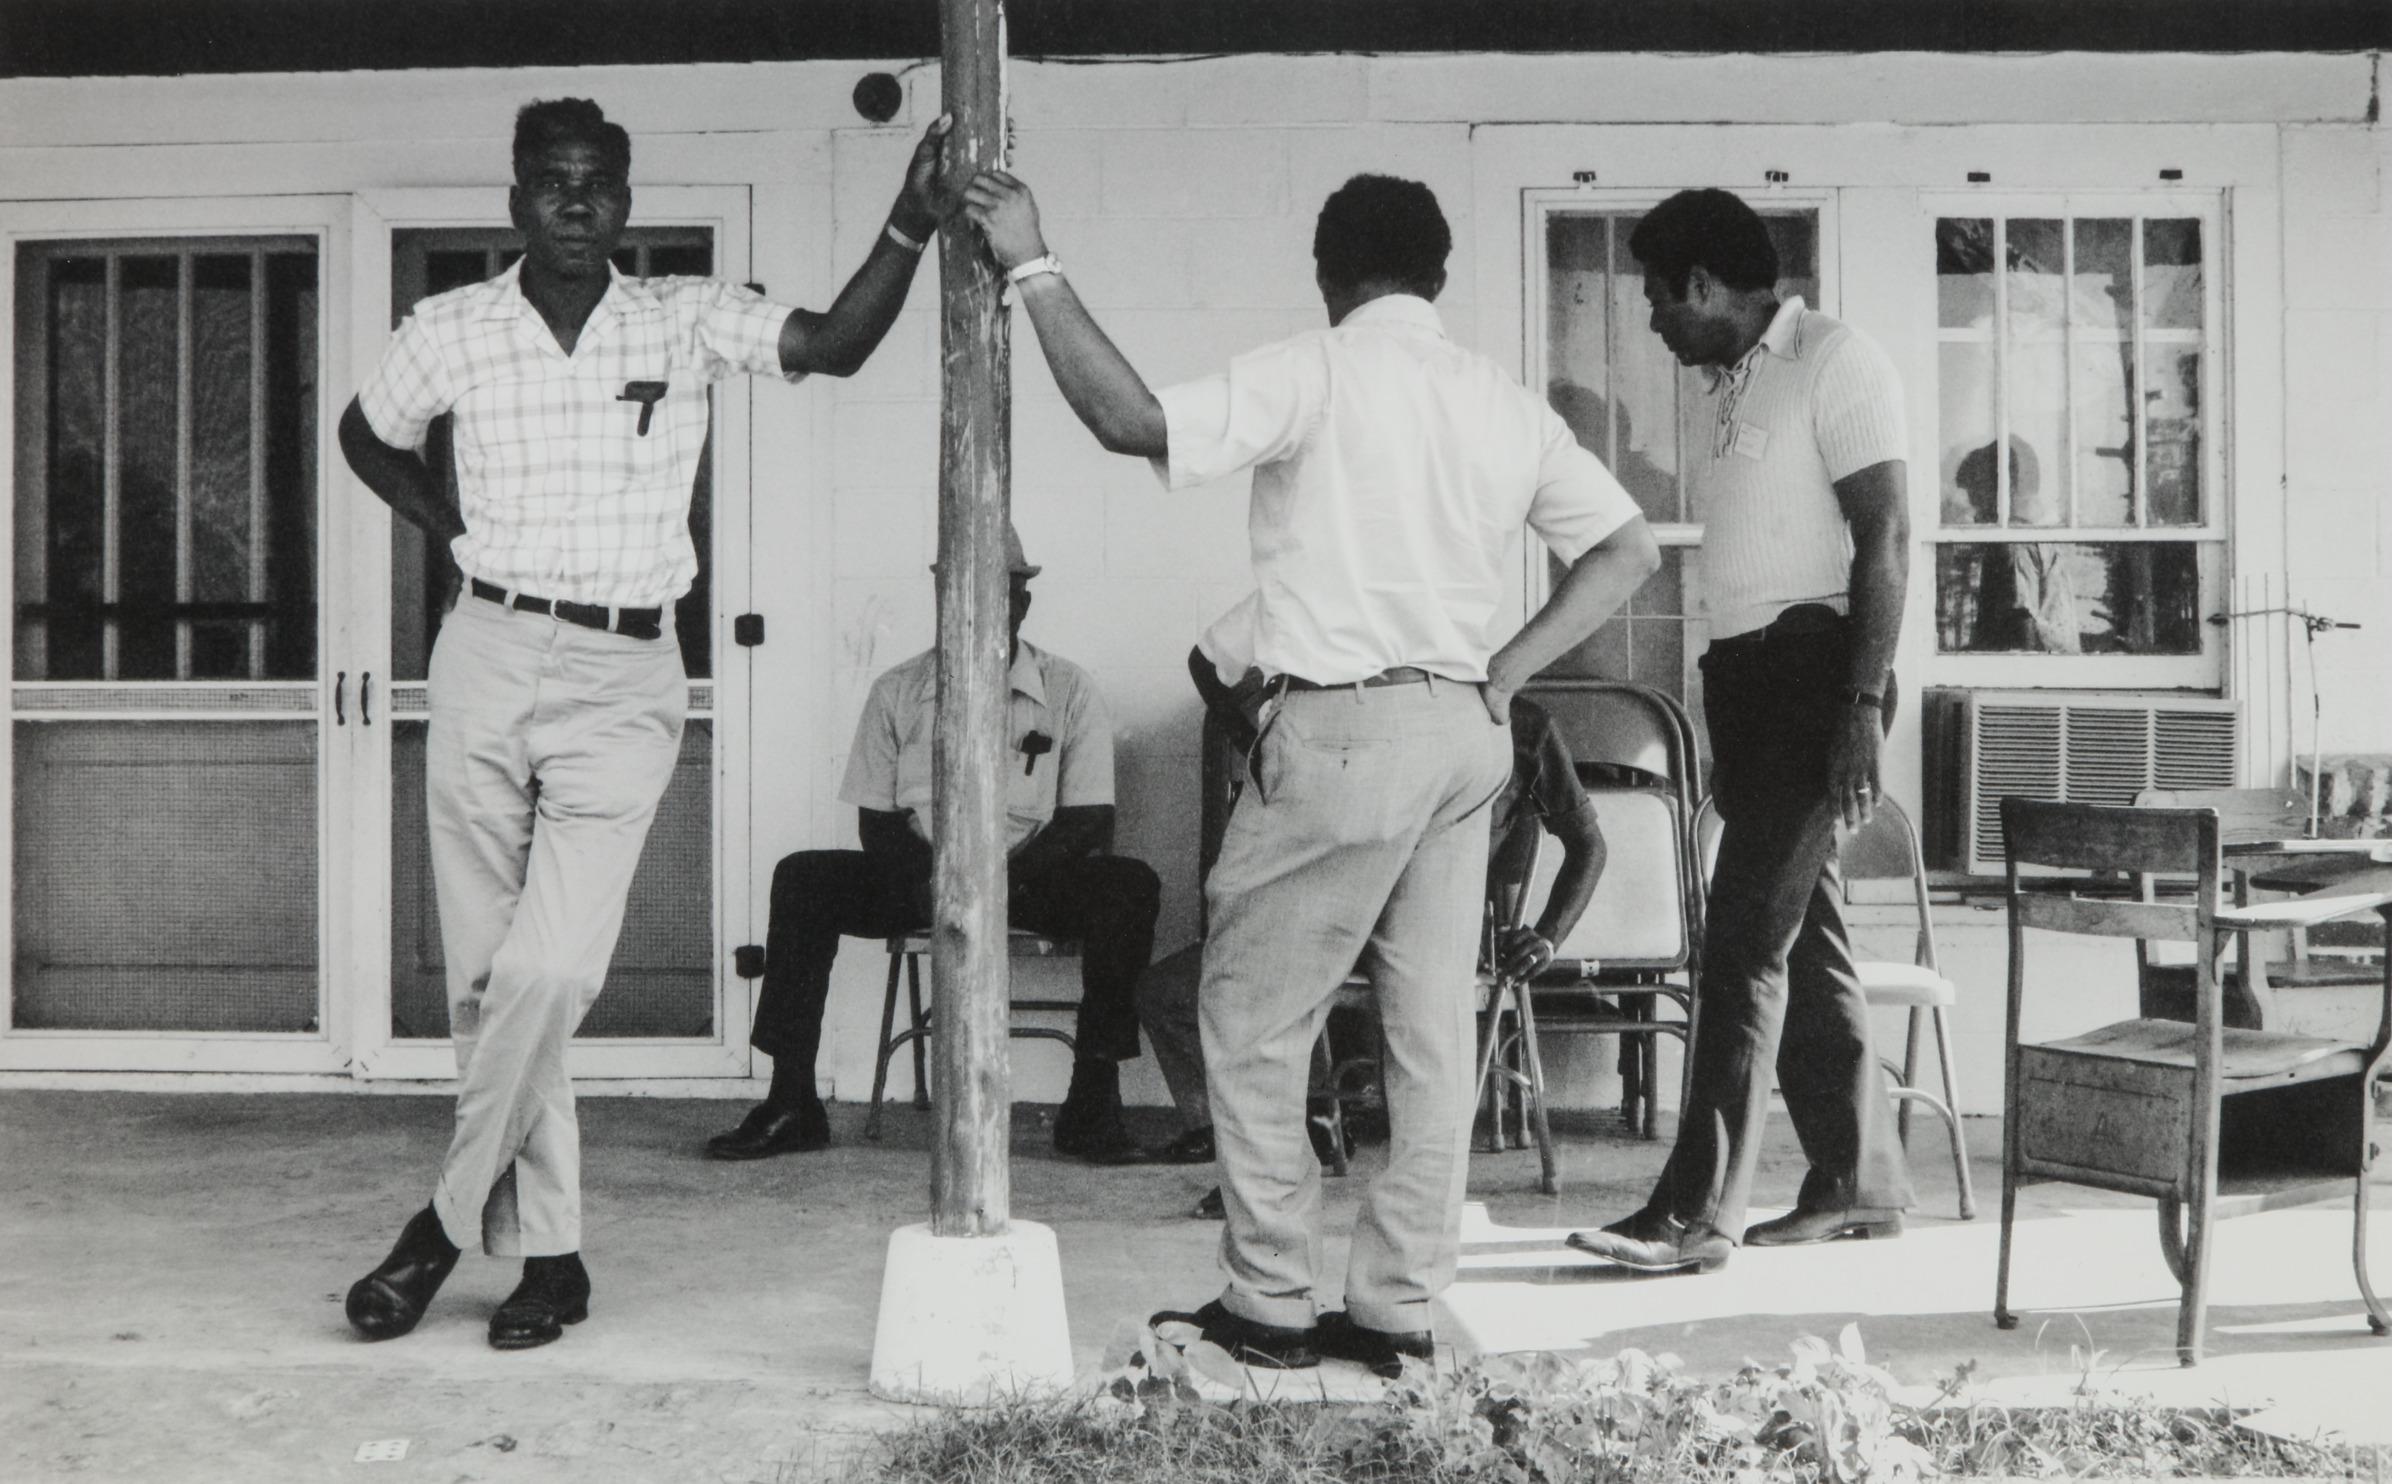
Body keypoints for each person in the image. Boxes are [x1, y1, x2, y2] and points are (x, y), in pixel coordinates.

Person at [961, 169, 1658, 1377]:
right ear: (1437, 276)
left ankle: (1273, 1301)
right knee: (1431, 1036)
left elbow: (1134, 422)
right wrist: (1502, 673)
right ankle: (1394, 1311)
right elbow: (1627, 547)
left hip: (1342, 731)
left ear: (1330, 275)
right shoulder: (1500, 399)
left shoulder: (1320, 368)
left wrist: (1032, 264)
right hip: (1462, 734)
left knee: (1249, 1017)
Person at [337, 97, 951, 1350]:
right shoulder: (449, 329)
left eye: (597, 182)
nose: (575, 202)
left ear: (625, 200)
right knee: (490, 983)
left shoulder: (681, 314)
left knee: (549, 969)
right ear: (516, 201)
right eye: (551, 181)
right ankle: (552, 1261)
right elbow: (363, 433)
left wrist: (910, 220)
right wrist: (447, 532)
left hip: (624, 674)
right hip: (488, 652)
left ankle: (442, 1226)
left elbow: (832, 343)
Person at [1564, 188, 1915, 1278]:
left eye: (1661, 301)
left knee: (1743, 938)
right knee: (1805, 935)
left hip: (1822, 680)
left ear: (1707, 287)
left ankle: (1692, 1215)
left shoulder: (1835, 359)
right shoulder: (1730, 382)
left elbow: (1887, 538)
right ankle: (1859, 1182)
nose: (1657, 324)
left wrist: (1860, 708)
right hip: (1755, 686)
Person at [706, 528, 1161, 1166]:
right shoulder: (897, 690)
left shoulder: (1069, 689)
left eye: (997, 595)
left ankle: (1092, 1102)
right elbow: (878, 822)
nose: (977, 610)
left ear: (1023, 601)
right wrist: (942, 879)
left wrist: (997, 878)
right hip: (921, 878)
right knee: (803, 877)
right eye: (961, 594)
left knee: (1129, 885)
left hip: (1026, 877)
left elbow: (1088, 820)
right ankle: (791, 1101)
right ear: (941, 598)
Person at [1139, 606, 1609, 1217]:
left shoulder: (1518, 723)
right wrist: (1259, 744)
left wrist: (1547, 936)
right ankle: (1279, 1141)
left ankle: (1381, 1195)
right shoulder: (1332, 711)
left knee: (1418, 1039)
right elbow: (1210, 663)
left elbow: (1589, 844)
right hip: (1323, 915)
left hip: (1430, 932)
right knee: (1169, 991)